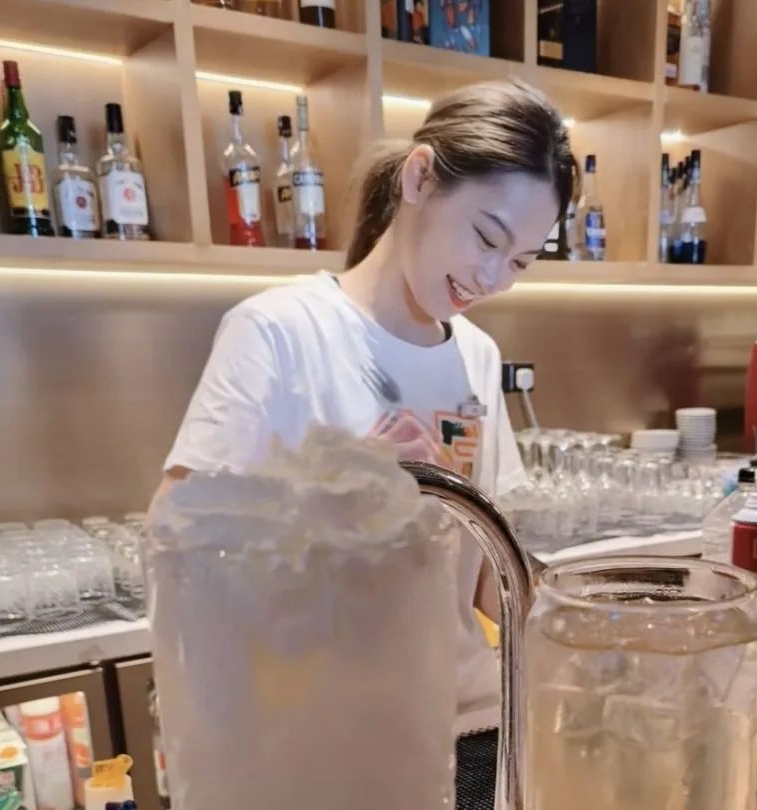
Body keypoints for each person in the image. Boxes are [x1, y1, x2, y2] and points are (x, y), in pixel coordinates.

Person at [159, 79, 574, 729]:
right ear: (419, 178)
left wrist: (589, 622)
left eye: (520, 261)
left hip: (466, 721)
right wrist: (334, 495)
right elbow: (175, 539)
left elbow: (485, 574)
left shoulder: (476, 354)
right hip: (323, 731)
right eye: (486, 237)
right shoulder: (278, 331)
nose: (492, 278)